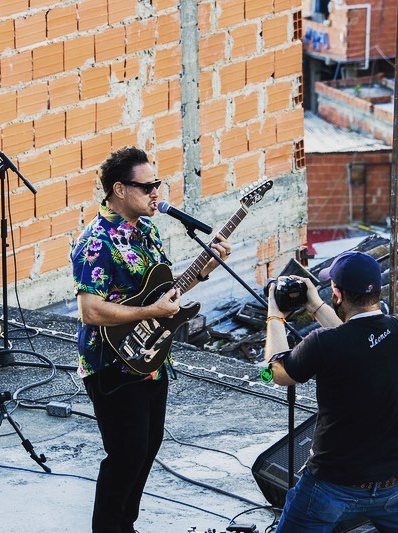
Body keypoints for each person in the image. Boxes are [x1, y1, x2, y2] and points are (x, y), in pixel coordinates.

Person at [70, 147, 231, 533]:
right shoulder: (96, 242)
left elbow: (164, 293)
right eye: (148, 186)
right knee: (125, 454)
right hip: (111, 362)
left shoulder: (147, 231)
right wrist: (150, 314)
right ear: (120, 189)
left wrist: (205, 268)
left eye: (158, 184)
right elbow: (90, 311)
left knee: (147, 448)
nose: (156, 192)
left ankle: (125, 524)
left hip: (152, 358)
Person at [263, 251, 398, 531]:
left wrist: (274, 318)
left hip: (332, 486)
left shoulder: (323, 344)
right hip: (394, 485)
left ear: (337, 294)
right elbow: (358, 339)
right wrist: (315, 307)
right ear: (377, 289)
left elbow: (275, 374)